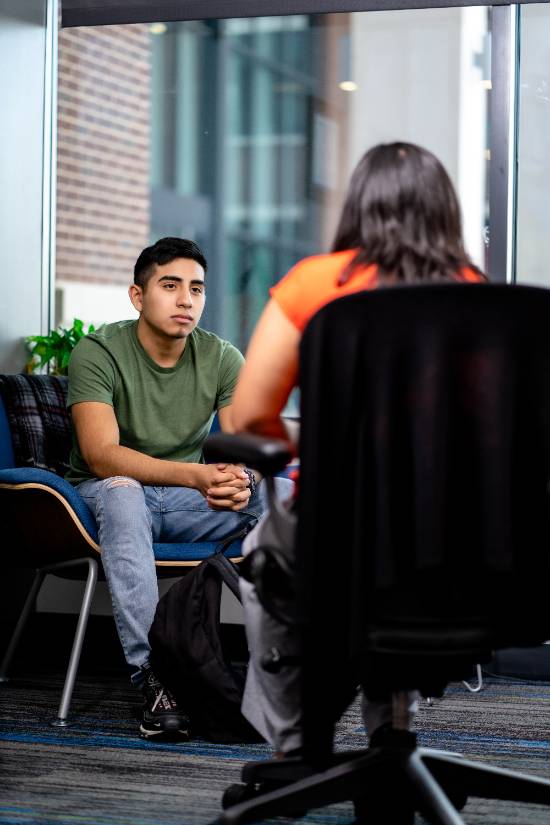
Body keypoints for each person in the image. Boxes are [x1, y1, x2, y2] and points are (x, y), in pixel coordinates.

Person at [230, 142, 487, 755]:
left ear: (359, 206)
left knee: (261, 558)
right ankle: (391, 731)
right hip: (451, 534)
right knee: (398, 571)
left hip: (338, 527)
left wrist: (324, 434)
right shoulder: (475, 292)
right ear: (444, 210)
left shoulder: (317, 283)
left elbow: (247, 417)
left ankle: (298, 742)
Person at [66, 237, 290, 739]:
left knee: (284, 495)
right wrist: (197, 474)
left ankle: (289, 660)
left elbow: (241, 447)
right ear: (137, 296)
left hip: (184, 501)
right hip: (107, 496)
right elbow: (102, 455)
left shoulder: (220, 356)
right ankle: (158, 675)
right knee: (122, 489)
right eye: (170, 286)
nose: (186, 300)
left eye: (197, 288)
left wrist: (242, 480)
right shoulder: (98, 352)